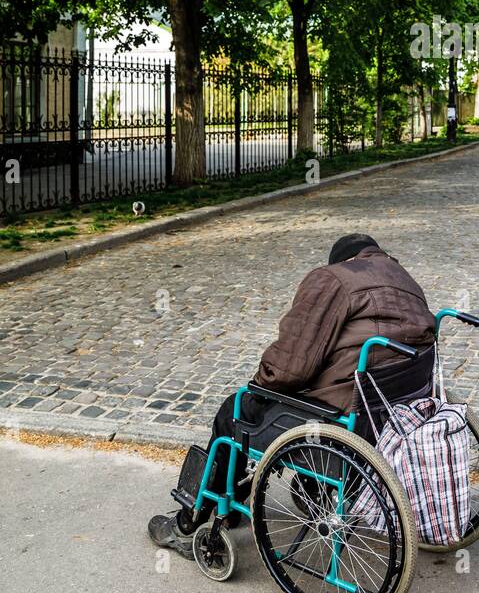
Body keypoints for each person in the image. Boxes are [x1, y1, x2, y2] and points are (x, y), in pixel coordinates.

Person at [147, 233, 436, 559]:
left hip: (344, 418)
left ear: (341, 261)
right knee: (258, 405)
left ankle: (190, 523)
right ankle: (272, 497)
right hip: (394, 411)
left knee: (236, 410)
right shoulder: (403, 277)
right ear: (372, 255)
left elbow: (290, 368)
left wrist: (259, 385)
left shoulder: (333, 280)